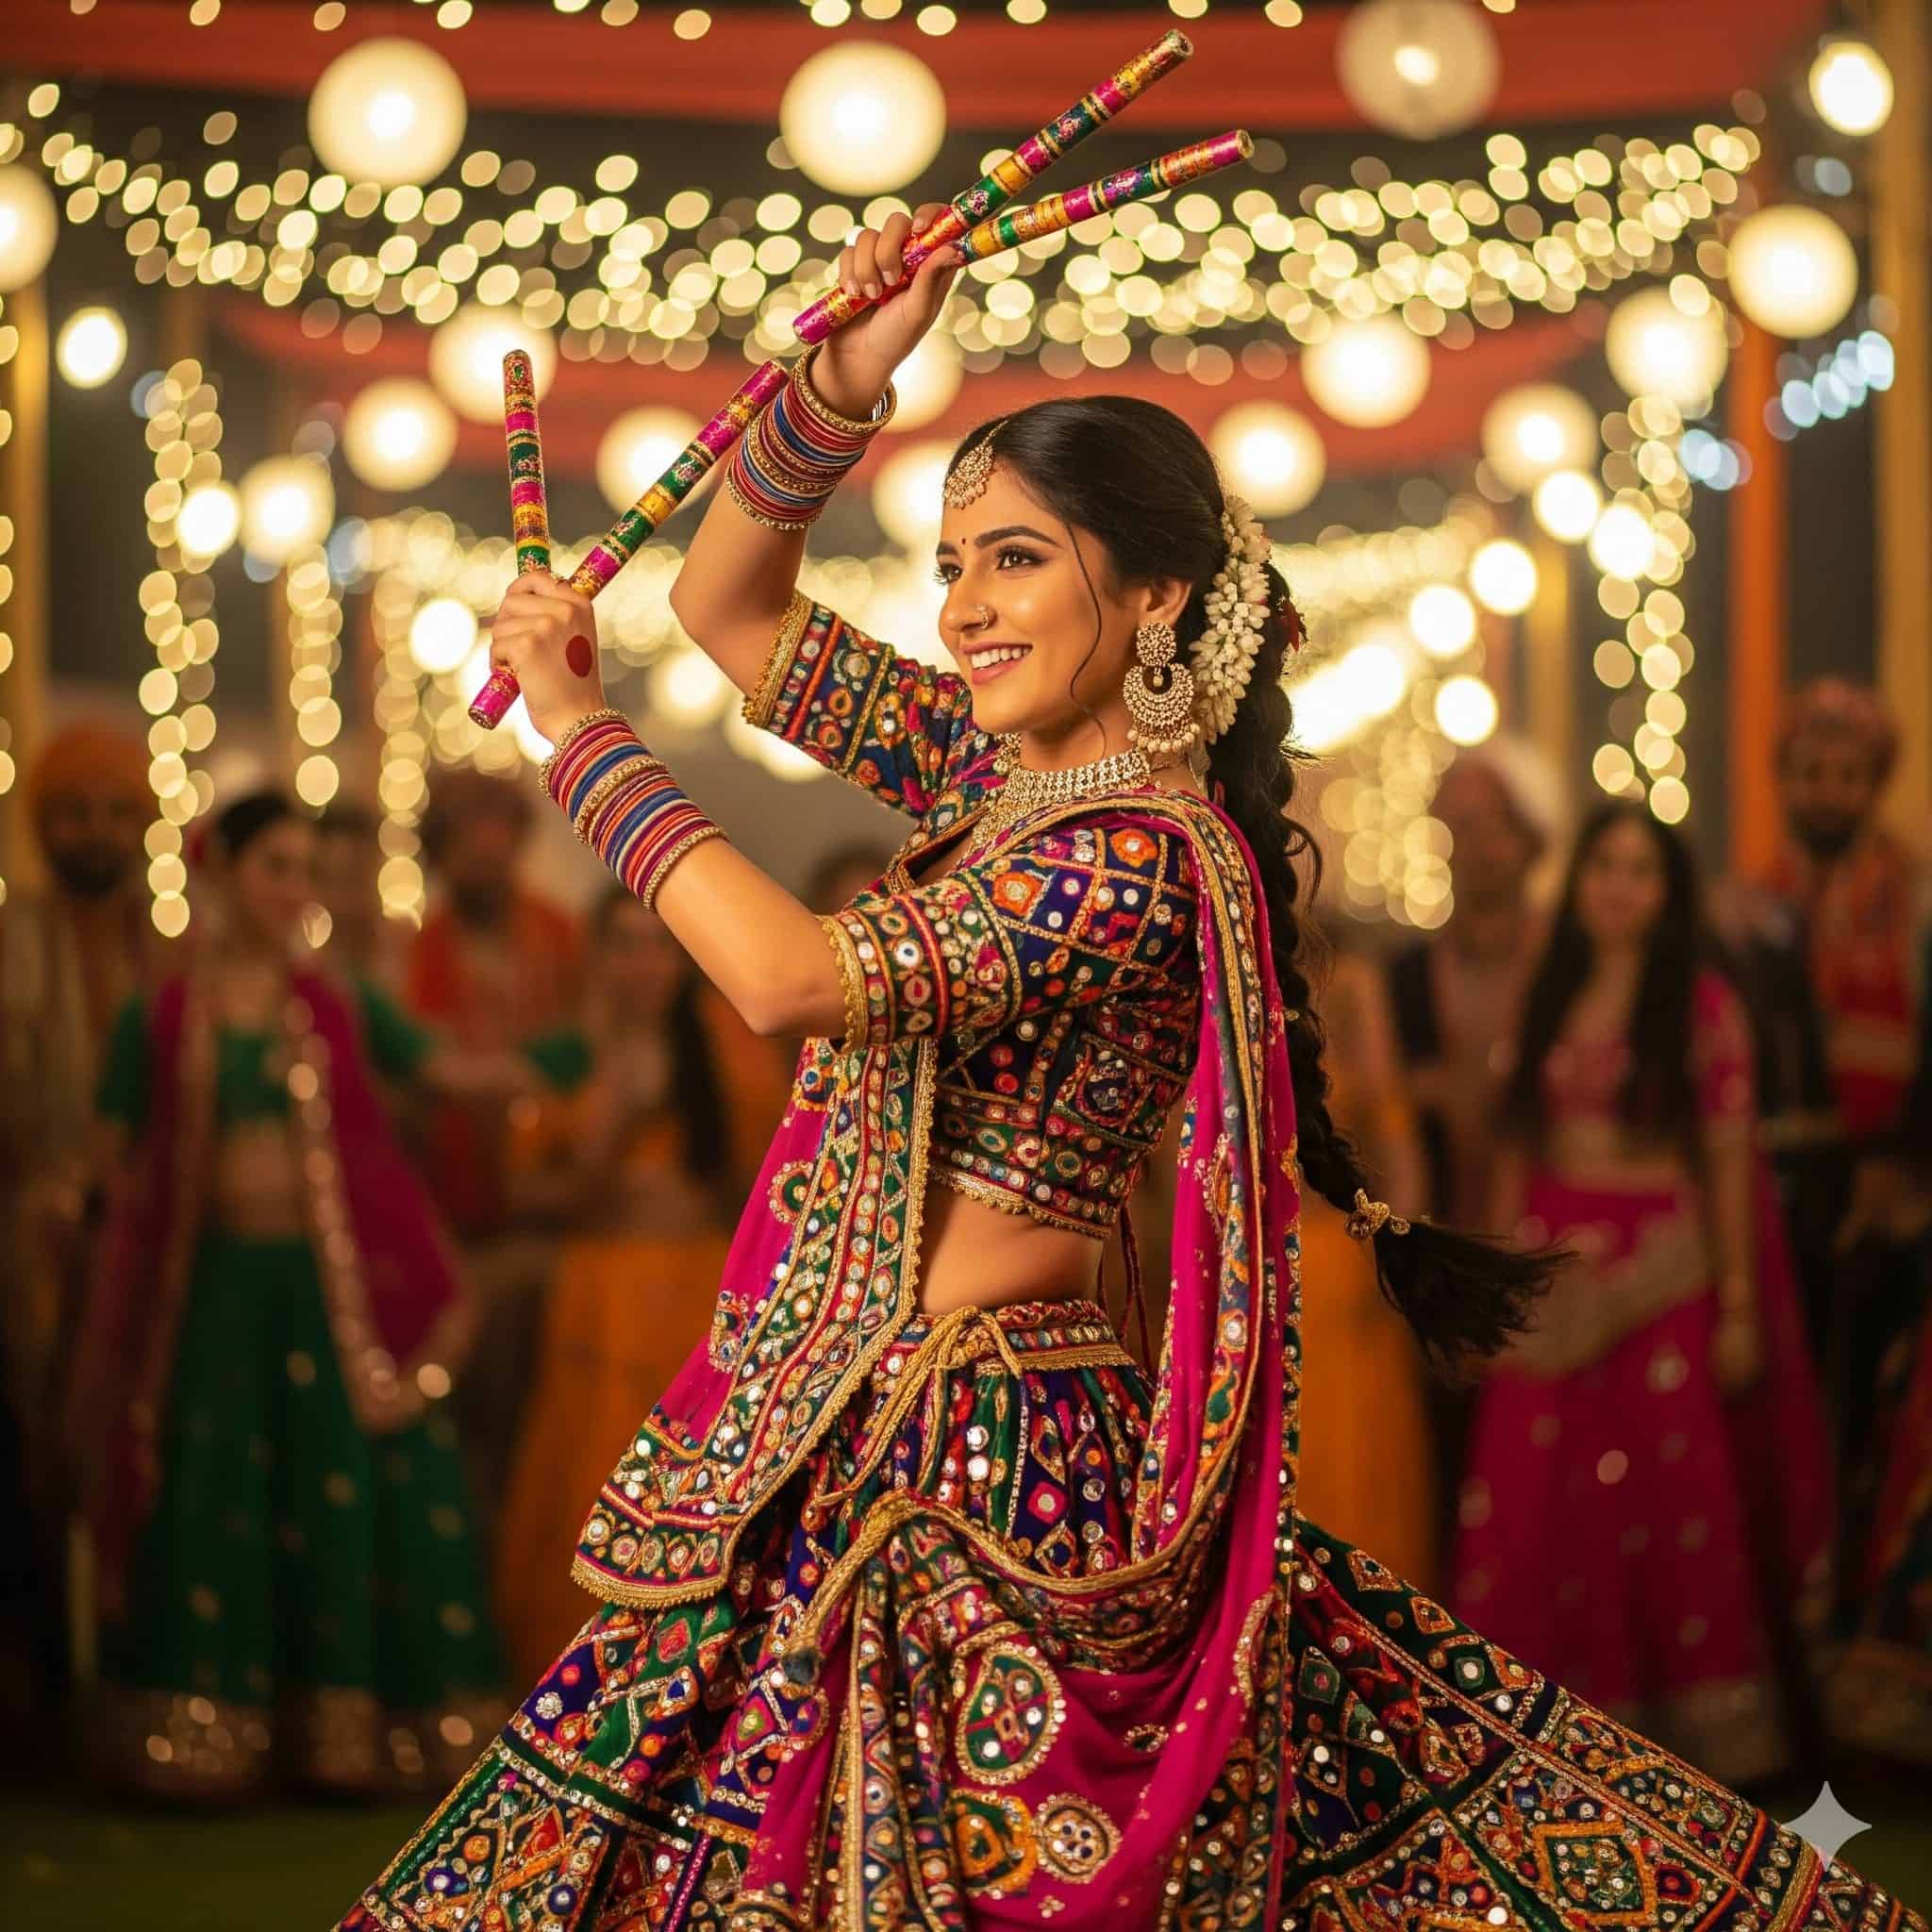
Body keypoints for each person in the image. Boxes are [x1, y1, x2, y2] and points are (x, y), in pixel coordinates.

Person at [341, 213, 1919, 1931]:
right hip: (855, 1413)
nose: (962, 610)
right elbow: (725, 603)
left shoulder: (1136, 857)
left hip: (982, 1454)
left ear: (1152, 591)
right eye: (951, 565)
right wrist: (842, 381)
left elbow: (792, 975)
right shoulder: (991, 773)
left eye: (1012, 560)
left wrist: (580, 738)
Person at [70, 791, 511, 1799]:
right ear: (221, 867)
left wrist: (584, 1052)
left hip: (326, 1289)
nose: (296, 892)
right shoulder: (165, 1009)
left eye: (307, 871)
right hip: (213, 1287)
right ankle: (210, 1728)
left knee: (337, 1486)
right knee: (215, 1491)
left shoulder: (337, 1001)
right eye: (276, 866)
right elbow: (110, 1147)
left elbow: (444, 1067)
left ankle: (344, 1732)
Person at [1454, 802, 1834, 1787]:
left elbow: (1723, 1161)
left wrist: (1739, 1306)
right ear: (1576, 880)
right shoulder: (1548, 989)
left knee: (1664, 1507)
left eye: (1639, 869)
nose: (1617, 885)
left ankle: (1685, 1746)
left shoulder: (1702, 1004)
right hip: (1549, 1277)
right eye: (1602, 865)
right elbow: (1514, 1145)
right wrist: (1492, 1282)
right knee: (1536, 1499)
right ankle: (1533, 1739)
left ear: (1667, 893)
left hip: (1660, 1273)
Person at [493, 890, 754, 1684]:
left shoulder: (726, 1052)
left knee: (698, 1487)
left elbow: (765, 1181)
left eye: (658, 947)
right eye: (625, 946)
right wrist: (618, 1111)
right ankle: (582, 1682)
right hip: (601, 1292)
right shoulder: (564, 1058)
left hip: (697, 1290)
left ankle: (689, 1677)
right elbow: (526, 1193)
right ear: (597, 958)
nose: (642, 966)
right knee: (596, 1473)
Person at [0, 721, 158, 1725]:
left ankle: (139, 1679)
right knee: (37, 1445)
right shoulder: (15, 938)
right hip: (29, 1227)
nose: (94, 833)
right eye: (74, 813)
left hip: (147, 1231)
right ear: (43, 824)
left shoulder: (168, 944)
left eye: (112, 812)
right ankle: (44, 1688)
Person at [408, 765, 586, 1524]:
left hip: (558, 1228)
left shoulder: (560, 936)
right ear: (439, 854)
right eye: (466, 844)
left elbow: (589, 1049)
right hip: (453, 1235)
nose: (484, 857)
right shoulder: (415, 950)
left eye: (497, 841)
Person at [1291, 944, 1438, 1591]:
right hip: (1235, 1271)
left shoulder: (1346, 985)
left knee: (1353, 1476)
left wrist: (1397, 1255)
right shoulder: (1200, 977)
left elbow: (1391, 1125)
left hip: (1336, 1272)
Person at [1386, 738, 1560, 1228]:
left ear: (1534, 838)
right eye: (1464, 825)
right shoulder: (1405, 979)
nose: (1480, 844)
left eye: (1498, 824)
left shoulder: (1567, 969)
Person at [314, 801, 408, 997]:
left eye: (358, 877)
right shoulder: (306, 968)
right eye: (339, 878)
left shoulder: (408, 952)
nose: (350, 894)